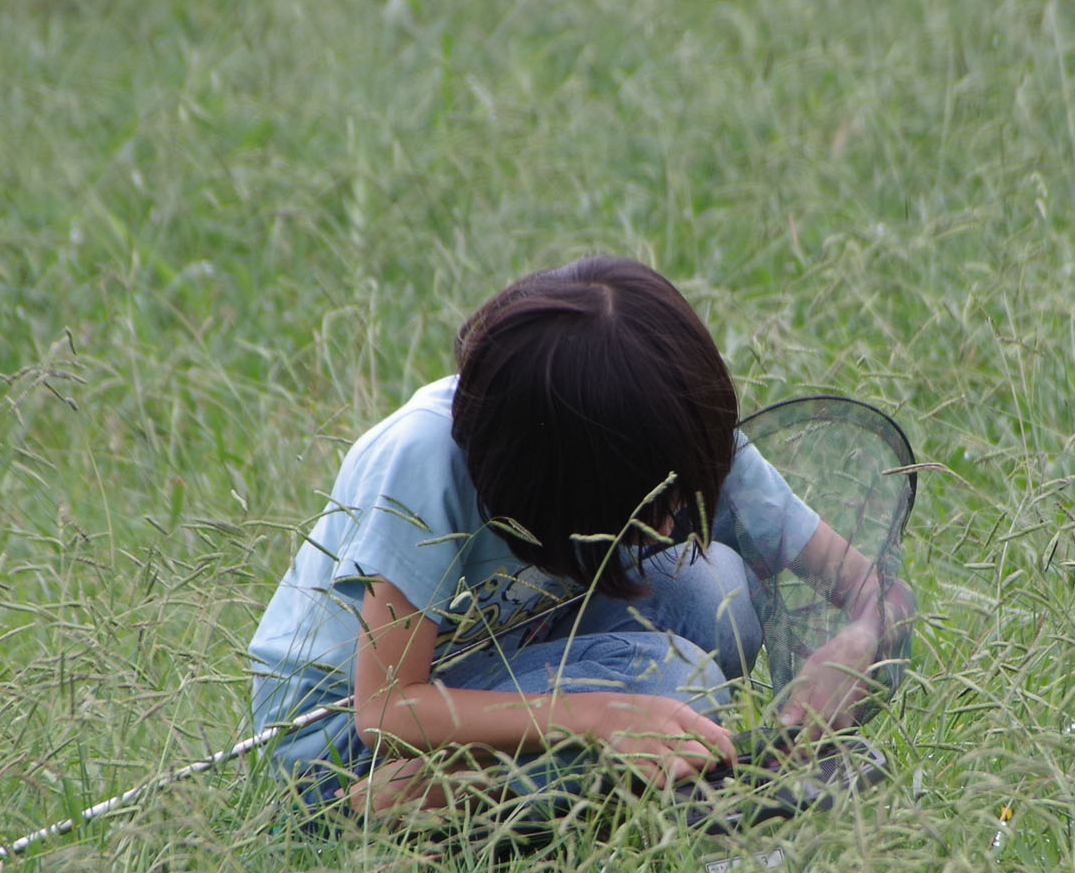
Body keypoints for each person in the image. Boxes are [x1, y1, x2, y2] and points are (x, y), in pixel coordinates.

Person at [246, 257, 907, 830]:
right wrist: (600, 715)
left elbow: (872, 586)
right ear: (560, 490)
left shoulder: (669, 425)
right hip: (340, 741)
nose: (677, 521)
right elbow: (384, 710)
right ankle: (376, 807)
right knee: (680, 682)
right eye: (651, 508)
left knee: (716, 594)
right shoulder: (421, 462)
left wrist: (855, 643)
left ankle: (578, 784)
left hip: (509, 659)